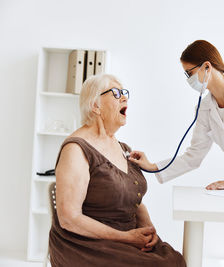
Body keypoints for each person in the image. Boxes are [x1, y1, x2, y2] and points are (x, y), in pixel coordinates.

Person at [129, 40, 224, 267]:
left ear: (207, 67)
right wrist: (154, 166)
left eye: (189, 73)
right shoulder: (205, 107)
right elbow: (194, 155)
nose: (189, 80)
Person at [48, 74, 186, 267]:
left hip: (125, 235)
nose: (124, 98)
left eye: (125, 93)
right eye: (116, 93)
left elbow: (134, 201)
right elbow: (69, 218)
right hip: (85, 243)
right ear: (95, 105)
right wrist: (125, 237)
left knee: (174, 260)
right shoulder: (76, 149)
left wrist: (148, 229)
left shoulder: (123, 148)